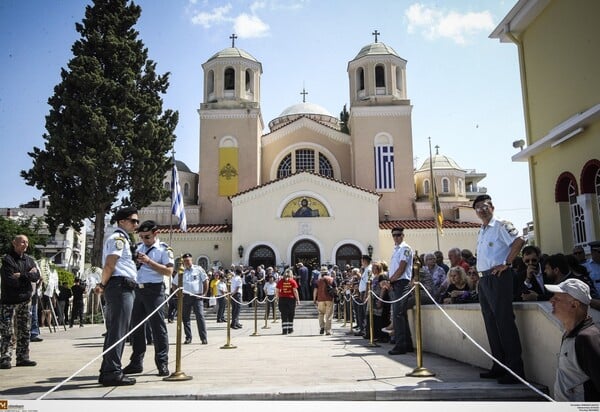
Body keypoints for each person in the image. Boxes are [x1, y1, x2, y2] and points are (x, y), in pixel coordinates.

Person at [473, 194, 525, 384]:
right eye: (477, 207)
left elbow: (519, 240)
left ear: (492, 207)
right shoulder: (482, 230)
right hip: (484, 280)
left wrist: (506, 263)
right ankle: (499, 365)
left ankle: (515, 370)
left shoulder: (501, 224)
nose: (481, 210)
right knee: (491, 324)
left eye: (484, 206)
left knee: (504, 323)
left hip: (499, 278)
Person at [94, 206, 139, 387]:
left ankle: (108, 370)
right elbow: (109, 264)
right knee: (118, 331)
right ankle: (112, 372)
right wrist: (102, 284)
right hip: (120, 286)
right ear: (122, 221)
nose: (136, 224)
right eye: (133, 220)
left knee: (117, 330)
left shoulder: (124, 239)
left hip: (122, 286)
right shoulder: (118, 238)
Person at [122, 220, 173, 377]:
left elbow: (169, 271)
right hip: (138, 289)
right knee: (136, 328)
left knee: (158, 328)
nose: (144, 239)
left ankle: (162, 363)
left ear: (156, 233)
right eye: (142, 236)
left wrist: (149, 261)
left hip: (155, 290)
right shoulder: (138, 248)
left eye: (147, 236)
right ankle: (136, 362)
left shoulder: (164, 249)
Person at [544, 279, 600, 401]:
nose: (551, 301)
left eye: (557, 299)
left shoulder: (586, 339)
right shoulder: (570, 334)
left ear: (574, 305)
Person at [0, 234, 40, 369]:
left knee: (25, 330)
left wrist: (21, 276)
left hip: (25, 300)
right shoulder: (8, 260)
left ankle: (23, 357)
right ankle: (5, 357)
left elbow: (36, 276)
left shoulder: (30, 260)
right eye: (22, 242)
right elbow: (10, 281)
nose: (25, 244)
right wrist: (28, 276)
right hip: (9, 302)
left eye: (27, 242)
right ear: (14, 243)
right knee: (8, 331)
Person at [388, 227, 414, 355]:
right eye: (394, 235)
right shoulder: (396, 249)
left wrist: (391, 280)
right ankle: (407, 344)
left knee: (397, 314)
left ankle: (400, 345)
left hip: (401, 282)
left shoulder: (405, 248)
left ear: (403, 235)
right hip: (395, 283)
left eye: (398, 235)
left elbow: (402, 268)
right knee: (400, 314)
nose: (396, 237)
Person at [175, 253, 208, 345]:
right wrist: (178, 294)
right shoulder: (181, 271)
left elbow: (205, 281)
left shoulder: (198, 269)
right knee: (185, 318)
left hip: (197, 296)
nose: (187, 262)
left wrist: (204, 293)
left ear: (191, 260)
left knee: (200, 317)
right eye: (185, 261)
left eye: (188, 260)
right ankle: (188, 337)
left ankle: (203, 338)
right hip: (185, 297)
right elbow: (174, 284)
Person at [276, 269, 300, 335]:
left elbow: (277, 290)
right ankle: (290, 329)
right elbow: (295, 291)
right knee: (291, 315)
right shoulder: (293, 281)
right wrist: (298, 300)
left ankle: (284, 330)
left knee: (283, 315)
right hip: (291, 299)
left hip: (282, 299)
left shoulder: (280, 281)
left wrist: (277, 298)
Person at [313, 266, 335, 336]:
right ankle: (328, 330)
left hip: (320, 299)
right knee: (329, 315)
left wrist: (314, 299)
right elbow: (335, 289)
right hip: (329, 299)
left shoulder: (318, 281)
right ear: (327, 272)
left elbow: (315, 290)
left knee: (321, 314)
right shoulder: (331, 279)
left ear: (321, 273)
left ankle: (322, 327)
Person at [355, 255, 372, 337]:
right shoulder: (365, 270)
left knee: (365, 313)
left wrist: (365, 295)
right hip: (362, 292)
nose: (361, 262)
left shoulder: (369, 269)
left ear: (365, 261)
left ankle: (365, 330)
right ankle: (363, 329)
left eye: (362, 261)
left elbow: (368, 283)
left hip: (365, 293)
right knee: (361, 312)